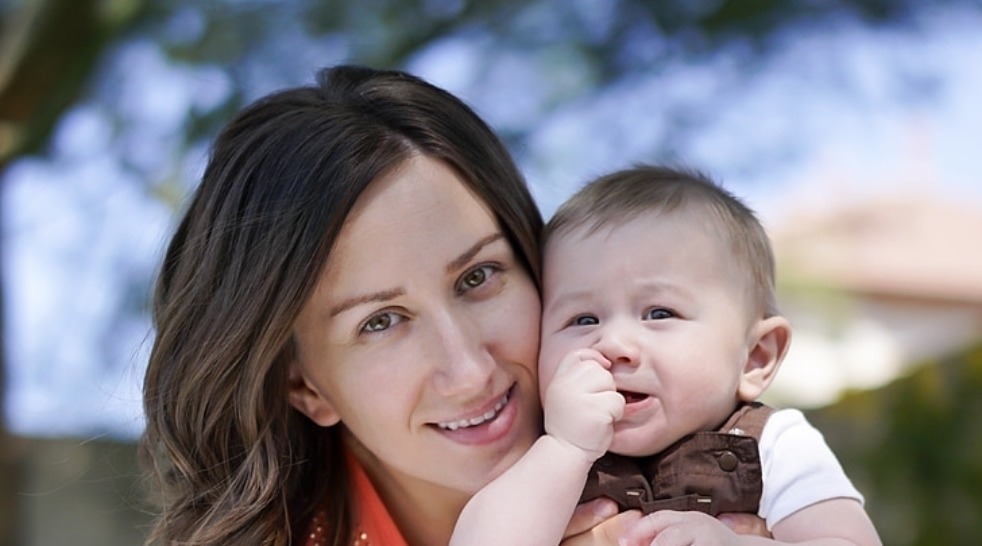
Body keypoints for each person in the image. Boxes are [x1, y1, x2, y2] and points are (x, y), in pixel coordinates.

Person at [140, 65, 768, 546]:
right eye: (380, 322)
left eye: (479, 276)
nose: (469, 370)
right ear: (305, 387)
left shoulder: (724, 469)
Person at [451, 166, 882, 546]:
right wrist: (564, 448)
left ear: (755, 357)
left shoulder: (776, 445)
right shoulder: (545, 447)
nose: (614, 344)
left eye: (659, 313)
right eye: (583, 319)